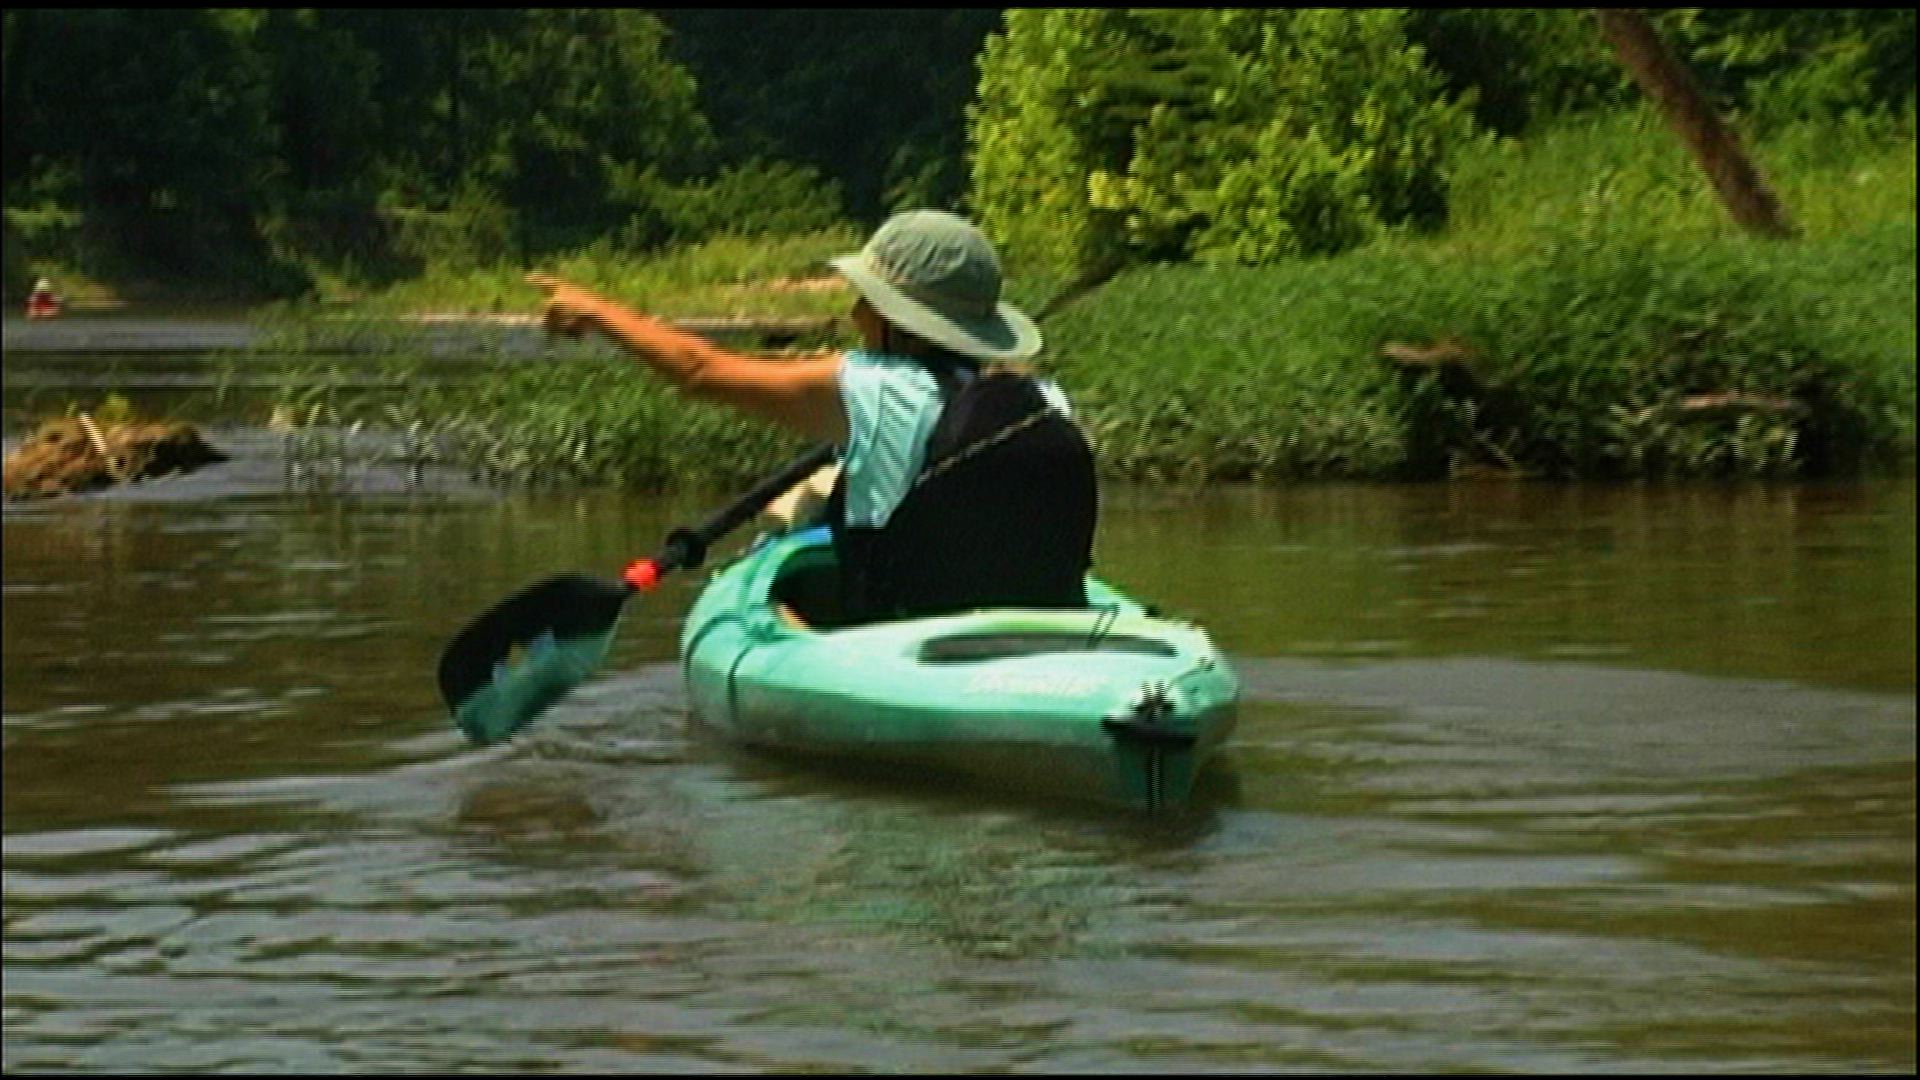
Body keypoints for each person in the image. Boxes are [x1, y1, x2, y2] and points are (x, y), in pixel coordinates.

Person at [527, 209, 1096, 625]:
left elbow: (699, 370)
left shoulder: (869, 388)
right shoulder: (1044, 396)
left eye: (866, 301)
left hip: (906, 632)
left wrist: (597, 311)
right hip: (1045, 618)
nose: (854, 313)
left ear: (896, 319)